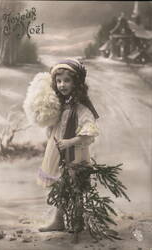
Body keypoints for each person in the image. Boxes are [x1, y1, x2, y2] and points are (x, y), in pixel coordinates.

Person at [24, 58, 99, 232]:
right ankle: (59, 220)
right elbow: (54, 123)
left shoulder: (81, 107)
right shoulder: (60, 104)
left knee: (75, 185)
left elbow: (89, 131)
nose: (62, 85)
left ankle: (78, 220)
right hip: (57, 150)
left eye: (67, 80)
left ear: (76, 83)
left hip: (75, 151)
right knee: (60, 185)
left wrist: (71, 141)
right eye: (58, 81)